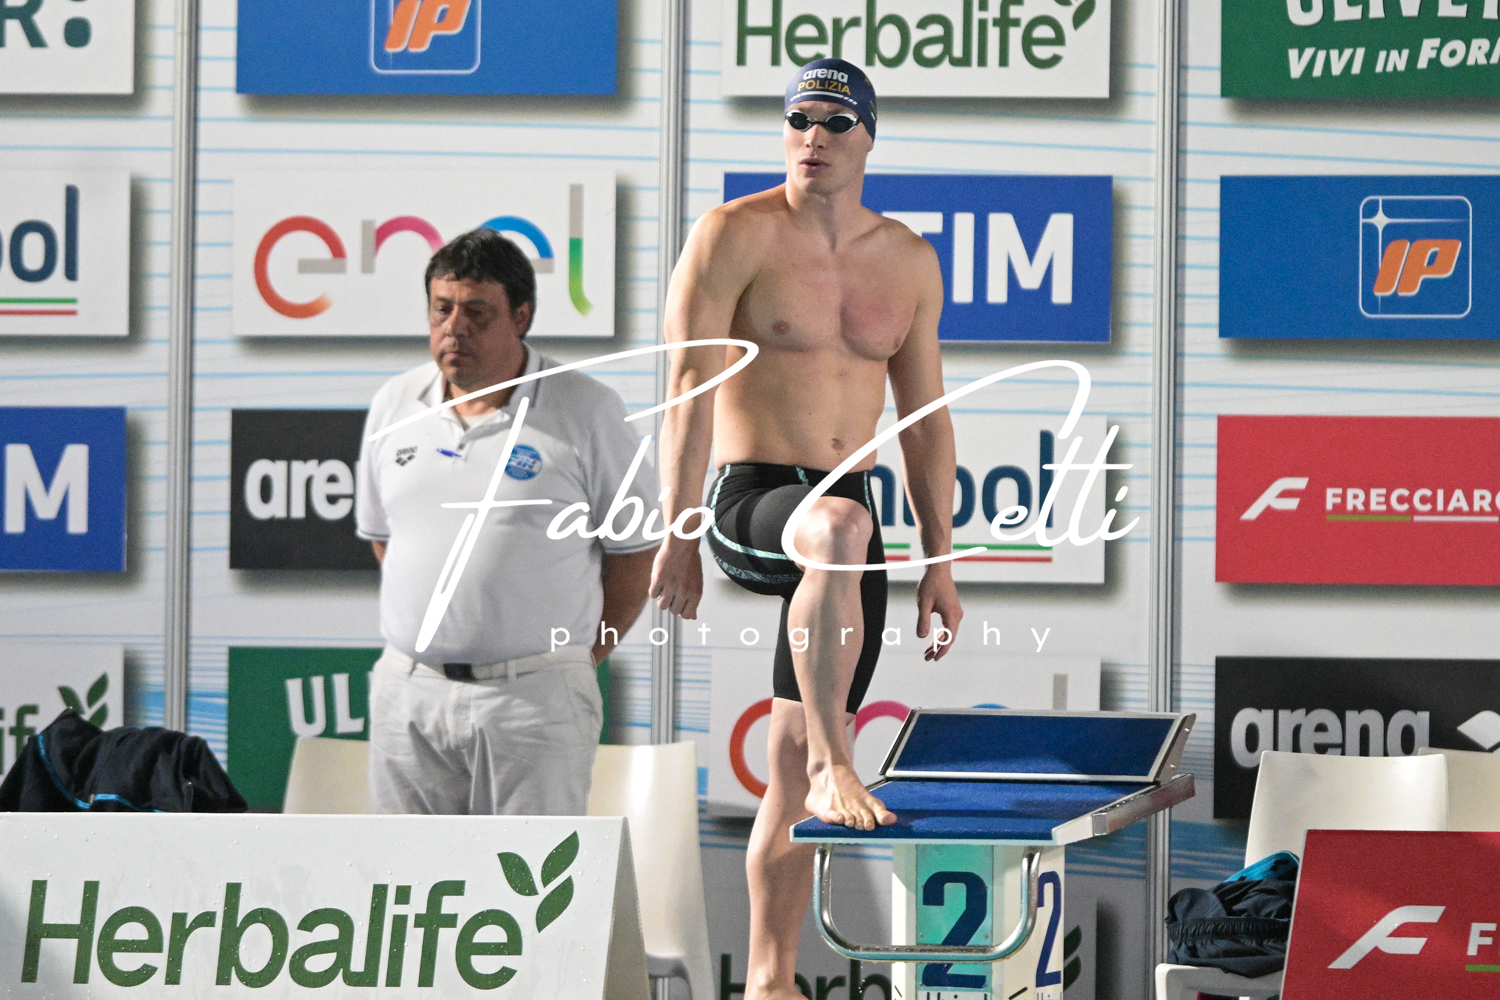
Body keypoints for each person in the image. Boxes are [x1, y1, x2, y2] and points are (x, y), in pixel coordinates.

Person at [650, 58, 963, 999]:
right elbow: (686, 389)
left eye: (834, 121)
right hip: (752, 500)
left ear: (868, 138)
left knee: (782, 765)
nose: (813, 137)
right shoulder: (732, 234)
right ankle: (839, 762)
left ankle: (769, 980)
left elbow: (925, 421)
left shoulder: (907, 259)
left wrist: (939, 561)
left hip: (849, 524)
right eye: (798, 120)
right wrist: (677, 534)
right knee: (834, 527)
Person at [355, 228, 658, 816]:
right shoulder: (393, 403)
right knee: (406, 872)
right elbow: (385, 539)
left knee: (530, 873)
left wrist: (574, 662)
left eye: (477, 312)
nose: (455, 328)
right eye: (442, 309)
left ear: (521, 317)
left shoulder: (585, 410)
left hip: (534, 701)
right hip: (408, 694)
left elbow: (637, 552)